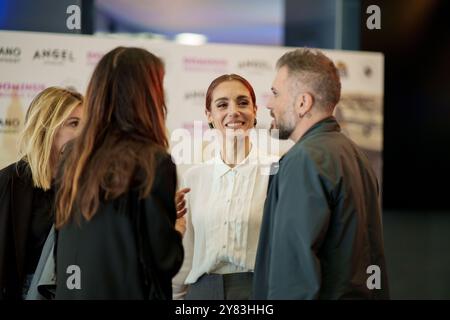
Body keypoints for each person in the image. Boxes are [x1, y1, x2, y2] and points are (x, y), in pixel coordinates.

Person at [253, 48, 389, 299]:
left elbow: (293, 276)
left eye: (275, 93)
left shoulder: (304, 161)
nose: (269, 104)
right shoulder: (356, 156)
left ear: (303, 102)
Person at [54, 47, 184, 300]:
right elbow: (164, 260)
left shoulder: (72, 156)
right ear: (146, 95)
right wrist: (176, 229)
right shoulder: (152, 161)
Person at [172, 74, 278, 300]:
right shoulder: (194, 177)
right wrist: (176, 296)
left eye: (242, 103)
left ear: (255, 110)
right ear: (209, 115)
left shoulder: (276, 171)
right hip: (202, 293)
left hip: (258, 291)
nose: (234, 111)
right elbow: (188, 252)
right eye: (222, 105)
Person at [0, 87, 83, 299]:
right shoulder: (8, 182)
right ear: (46, 127)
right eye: (74, 124)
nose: (84, 133)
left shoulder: (88, 187)